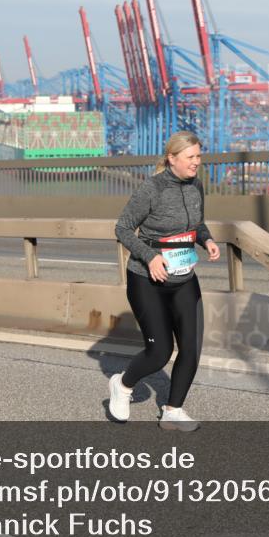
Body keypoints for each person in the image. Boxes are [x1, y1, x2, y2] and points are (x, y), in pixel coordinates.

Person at [110, 131, 221, 431]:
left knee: (191, 347)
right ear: (172, 158)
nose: (196, 163)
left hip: (184, 278)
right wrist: (150, 256)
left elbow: (196, 224)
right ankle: (122, 385)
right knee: (159, 353)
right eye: (190, 157)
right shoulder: (151, 189)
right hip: (148, 279)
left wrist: (207, 239)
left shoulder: (196, 185)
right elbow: (122, 228)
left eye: (199, 156)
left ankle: (173, 409)